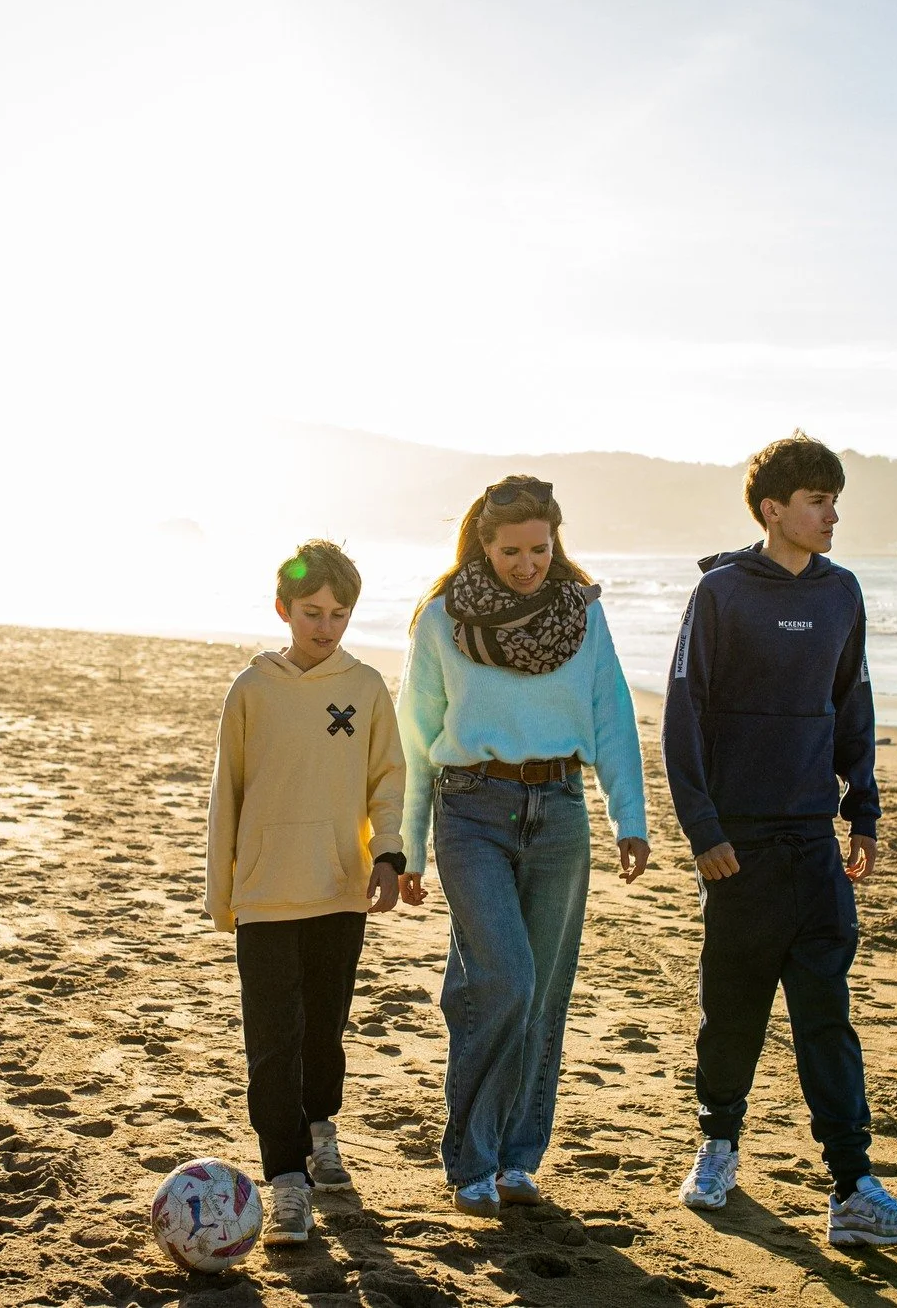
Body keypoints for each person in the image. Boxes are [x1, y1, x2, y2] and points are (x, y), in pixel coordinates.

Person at [661, 434, 897, 1247]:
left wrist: (866, 812)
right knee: (733, 1008)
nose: (832, 513)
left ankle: (851, 1185)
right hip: (739, 844)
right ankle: (718, 1142)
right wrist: (702, 828)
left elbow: (854, 703)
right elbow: (683, 717)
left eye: (835, 499)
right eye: (817, 500)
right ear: (773, 509)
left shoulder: (843, 593)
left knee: (826, 1014)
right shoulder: (720, 594)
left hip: (816, 839)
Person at [397, 475, 651, 1217]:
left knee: (542, 993)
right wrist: (408, 846)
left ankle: (517, 1156)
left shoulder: (582, 612)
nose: (528, 564)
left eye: (539, 549)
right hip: (471, 808)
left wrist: (627, 818)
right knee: (503, 977)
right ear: (483, 541)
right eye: (511, 551)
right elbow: (416, 738)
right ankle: (470, 1157)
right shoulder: (442, 618)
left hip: (563, 812)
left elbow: (610, 713)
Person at [205, 540, 408, 1248]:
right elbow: (224, 795)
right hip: (265, 893)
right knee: (272, 1042)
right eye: (312, 612)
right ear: (284, 610)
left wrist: (388, 851)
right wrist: (222, 892)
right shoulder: (251, 690)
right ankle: (285, 1179)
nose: (325, 626)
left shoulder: (367, 686)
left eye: (339, 613)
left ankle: (322, 1130)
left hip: (337, 889)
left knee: (324, 1031)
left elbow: (388, 778)